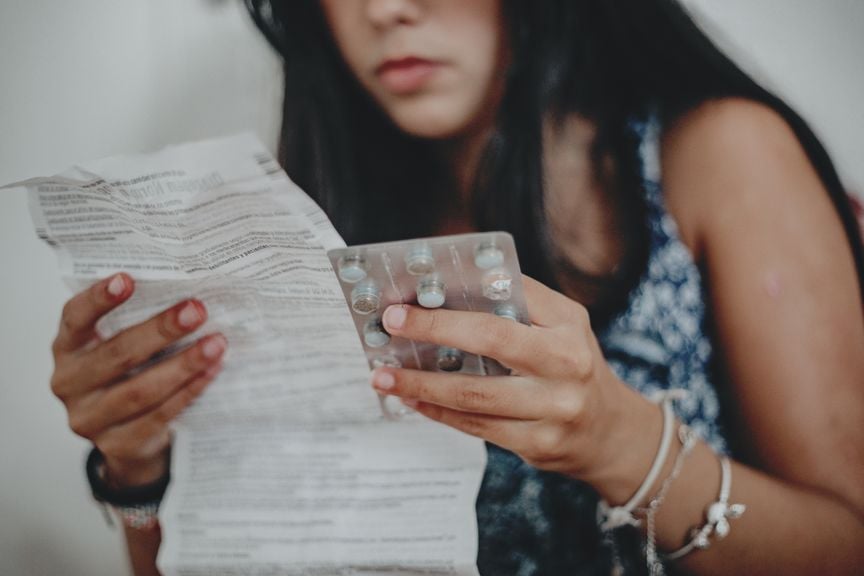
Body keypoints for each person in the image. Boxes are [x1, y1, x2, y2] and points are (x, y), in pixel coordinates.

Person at [49, 1, 864, 574]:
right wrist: (139, 467)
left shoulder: (720, 154)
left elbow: (848, 546)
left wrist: (622, 443)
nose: (386, 8)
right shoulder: (308, 221)